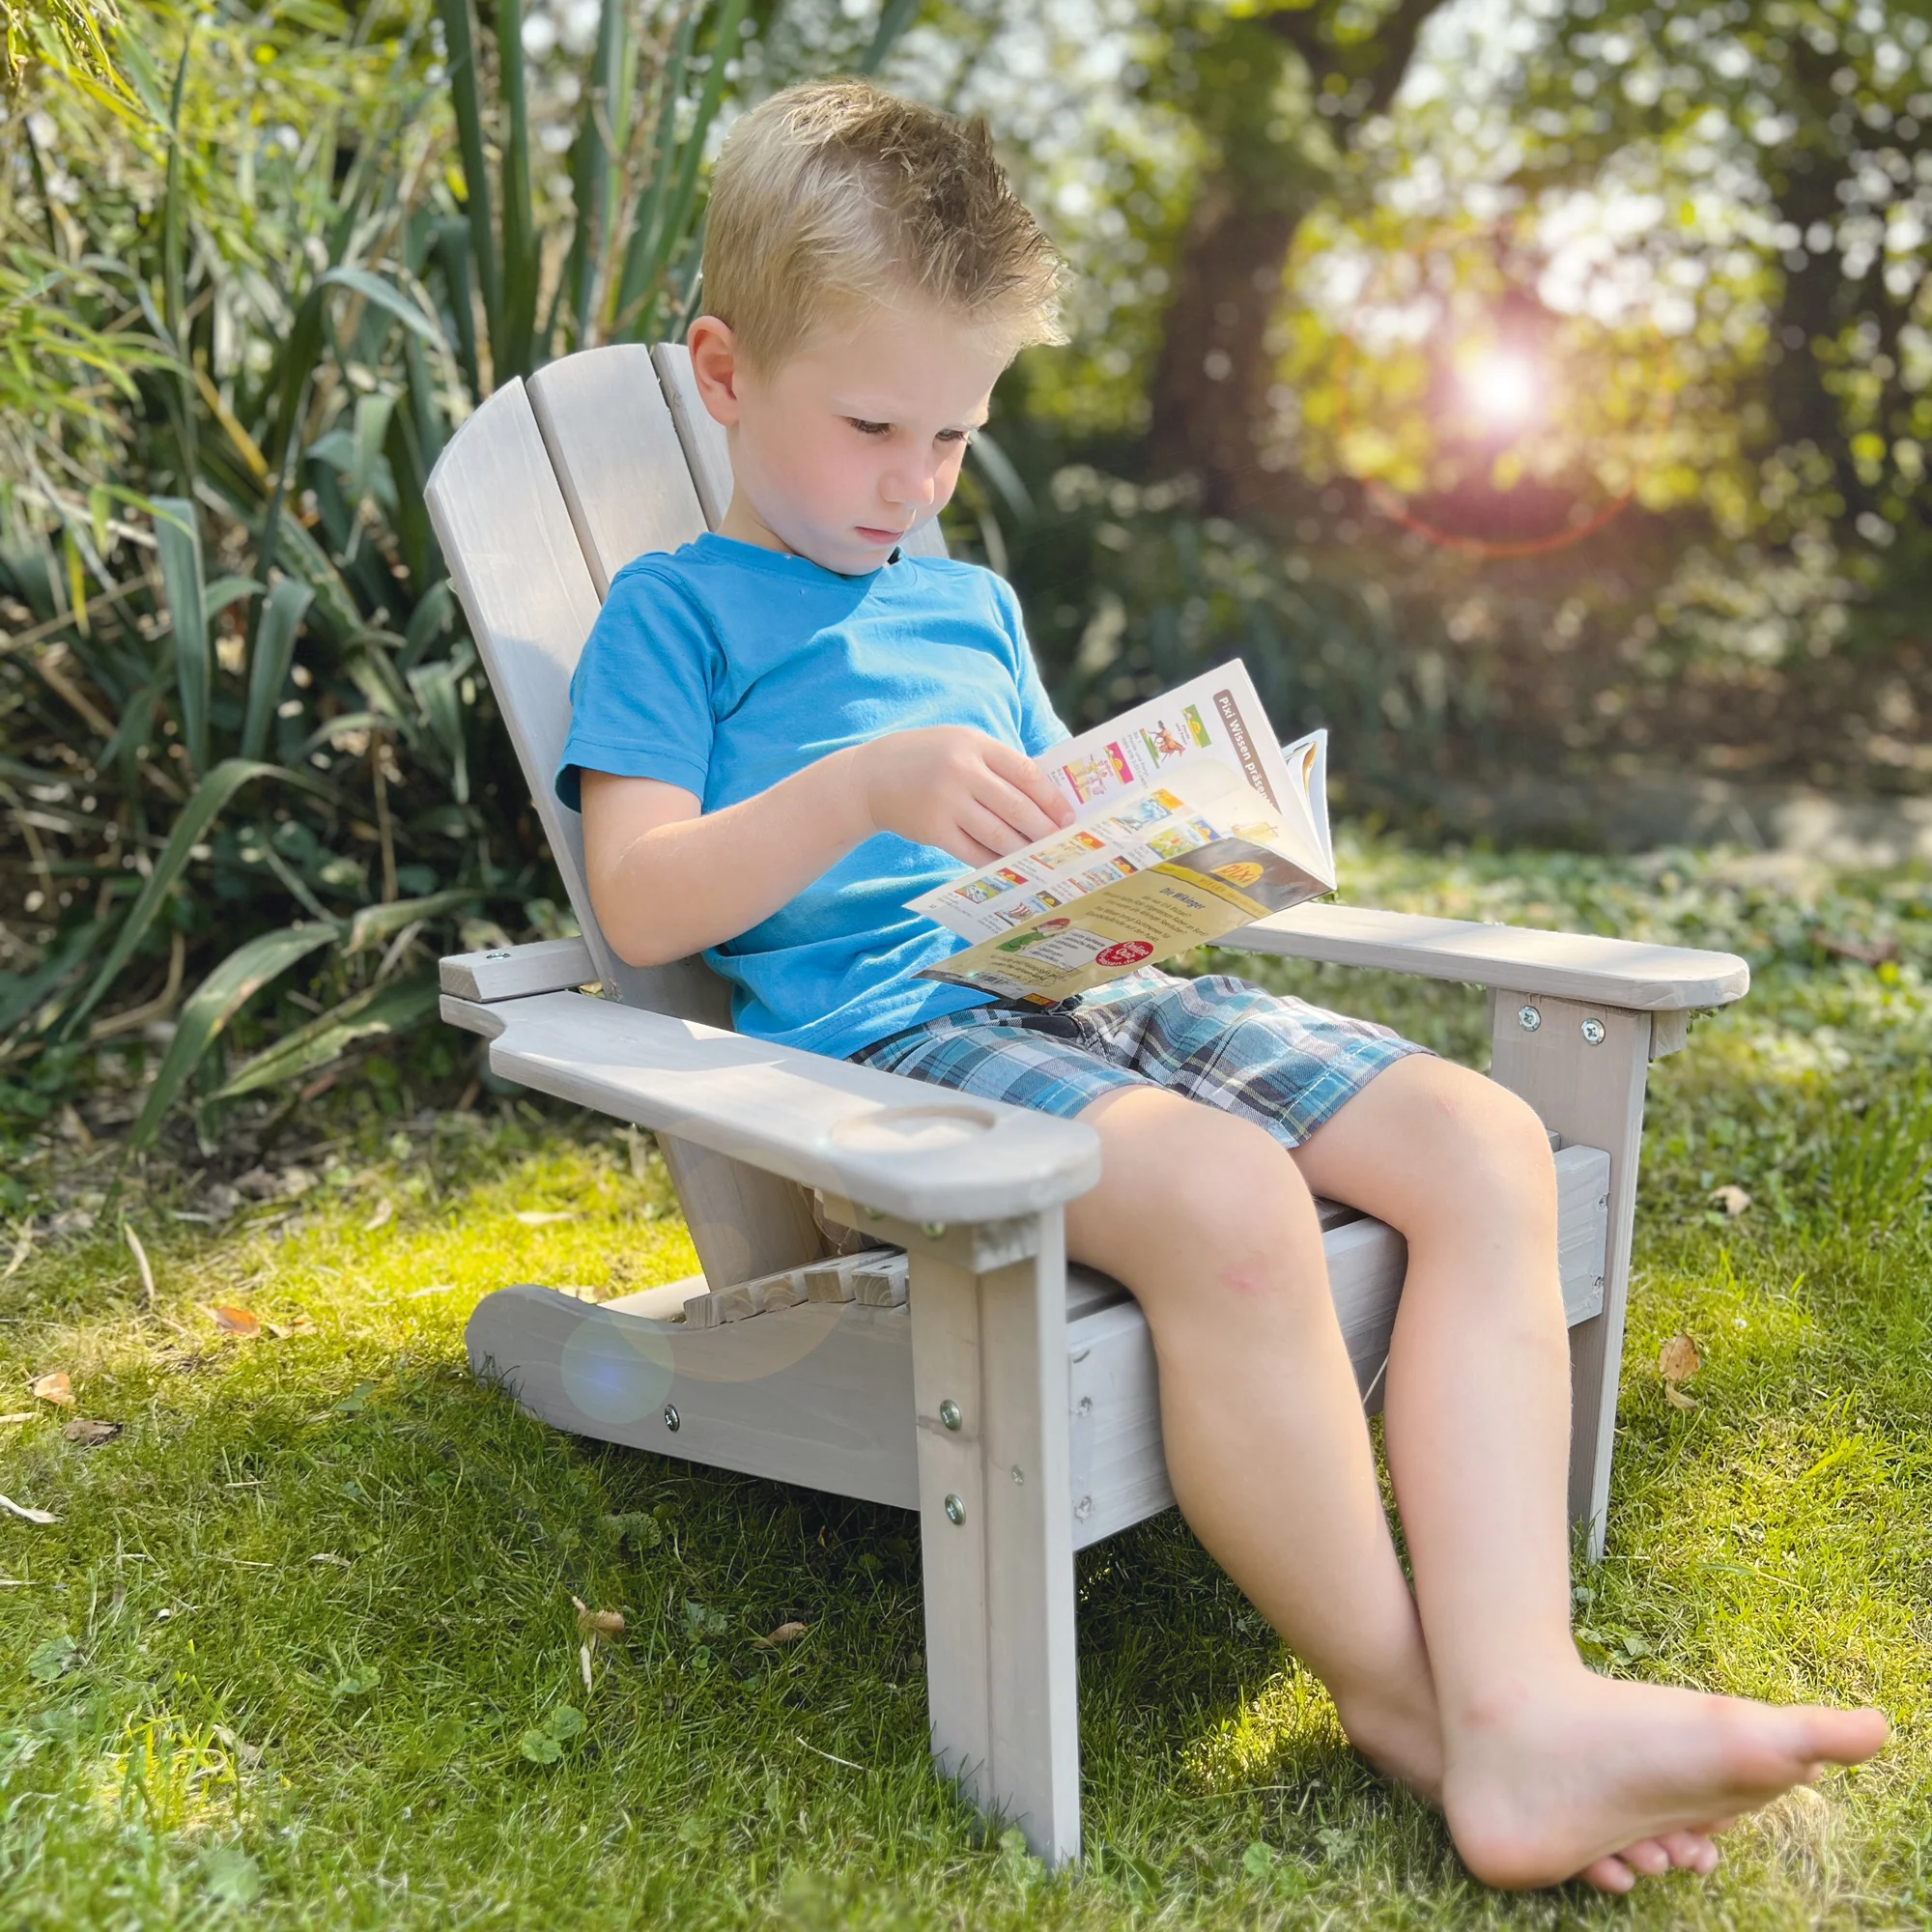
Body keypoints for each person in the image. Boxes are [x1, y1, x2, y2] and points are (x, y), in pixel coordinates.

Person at [558, 78, 1886, 1892]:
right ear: (721, 373)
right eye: (873, 424)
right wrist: (863, 789)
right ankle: (1424, 1712)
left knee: (1484, 1145)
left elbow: (1031, 835)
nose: (913, 482)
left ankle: (1525, 1690)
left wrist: (1146, 844)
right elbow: (637, 904)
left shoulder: (971, 603)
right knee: (1236, 1201)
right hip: (884, 1042)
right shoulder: (673, 615)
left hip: (1072, 988)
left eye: (954, 435)